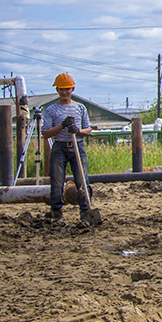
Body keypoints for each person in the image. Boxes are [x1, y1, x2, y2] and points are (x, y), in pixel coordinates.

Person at [41, 73, 93, 224]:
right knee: (57, 182)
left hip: (77, 146)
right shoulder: (51, 110)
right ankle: (57, 213)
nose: (64, 92)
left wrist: (77, 130)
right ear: (57, 90)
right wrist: (61, 126)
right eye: (61, 89)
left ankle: (85, 212)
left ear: (72, 89)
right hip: (59, 148)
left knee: (82, 181)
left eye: (67, 89)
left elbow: (88, 131)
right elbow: (45, 133)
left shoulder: (80, 108)